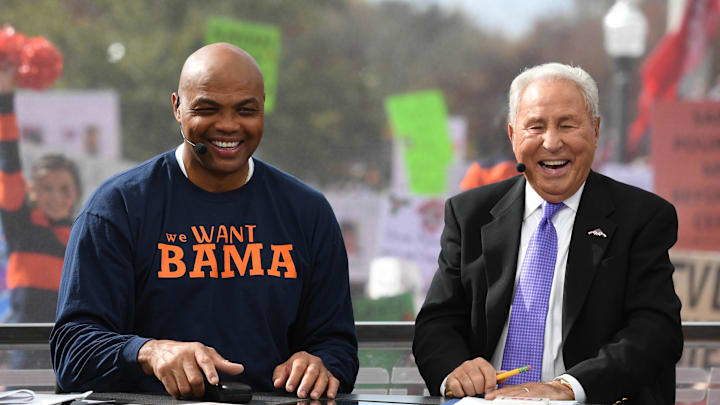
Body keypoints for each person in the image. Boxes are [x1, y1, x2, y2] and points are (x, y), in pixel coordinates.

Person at [50, 43, 358, 400]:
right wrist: (149, 352)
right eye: (207, 109)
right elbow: (73, 352)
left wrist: (320, 364)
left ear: (263, 109)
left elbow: (338, 348)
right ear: (177, 108)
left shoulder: (308, 212)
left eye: (246, 110)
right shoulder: (118, 207)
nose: (228, 125)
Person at [412, 63, 682, 404]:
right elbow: (436, 323)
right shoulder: (469, 215)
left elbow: (655, 332)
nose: (551, 143)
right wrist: (456, 369)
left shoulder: (641, 217)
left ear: (596, 130)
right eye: (535, 127)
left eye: (567, 125)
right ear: (513, 136)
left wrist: (567, 388)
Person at [0, 66, 81, 368]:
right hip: (22, 347)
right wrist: (5, 94)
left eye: (64, 188)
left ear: (75, 193)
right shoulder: (20, 222)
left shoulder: (80, 236)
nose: (56, 196)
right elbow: (8, 157)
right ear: (31, 190)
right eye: (46, 188)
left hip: (67, 350)